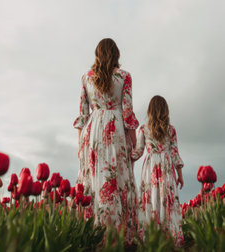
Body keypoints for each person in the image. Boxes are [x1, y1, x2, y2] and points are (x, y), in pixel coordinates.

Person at [73, 38, 138, 242]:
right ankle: (119, 235)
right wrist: (134, 143)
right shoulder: (125, 77)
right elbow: (127, 113)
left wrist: (80, 145)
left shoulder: (86, 78)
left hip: (92, 132)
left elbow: (82, 115)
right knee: (117, 179)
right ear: (116, 54)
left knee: (94, 179)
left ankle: (94, 234)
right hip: (116, 128)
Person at [131, 95, 184, 245]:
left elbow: (138, 152)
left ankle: (151, 236)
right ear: (165, 110)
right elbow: (174, 154)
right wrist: (180, 176)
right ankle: (169, 237)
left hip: (151, 167)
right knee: (166, 199)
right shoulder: (171, 130)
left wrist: (125, 154)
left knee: (152, 199)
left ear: (150, 111)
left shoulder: (143, 129)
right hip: (166, 166)